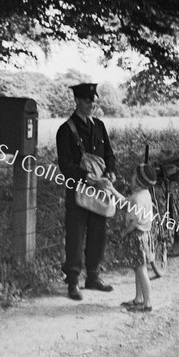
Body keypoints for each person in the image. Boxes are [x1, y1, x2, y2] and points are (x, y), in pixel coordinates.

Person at [56, 83, 117, 301]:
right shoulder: (65, 130)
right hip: (77, 191)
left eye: (94, 101)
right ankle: (73, 281)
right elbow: (65, 165)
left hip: (100, 190)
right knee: (75, 234)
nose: (92, 104)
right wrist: (88, 178)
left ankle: (93, 276)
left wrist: (110, 172)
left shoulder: (99, 126)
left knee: (98, 232)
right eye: (88, 101)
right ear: (78, 101)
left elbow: (109, 155)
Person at [103, 163, 157, 312]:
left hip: (137, 237)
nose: (131, 177)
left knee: (141, 270)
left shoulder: (138, 199)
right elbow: (125, 203)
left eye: (134, 175)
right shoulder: (143, 195)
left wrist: (123, 233)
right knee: (138, 268)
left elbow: (134, 222)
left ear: (138, 180)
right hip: (142, 236)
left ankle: (147, 303)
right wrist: (112, 189)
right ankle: (139, 299)